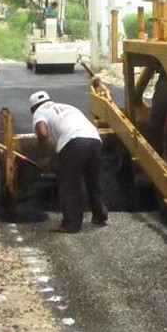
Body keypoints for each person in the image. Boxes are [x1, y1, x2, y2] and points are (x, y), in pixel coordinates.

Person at [29, 90, 108, 233]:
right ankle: (100, 214)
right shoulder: (66, 107)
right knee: (92, 179)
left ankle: (71, 224)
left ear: (32, 109)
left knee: (69, 183)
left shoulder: (39, 112)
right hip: (95, 140)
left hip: (74, 142)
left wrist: (44, 157)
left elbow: (42, 132)